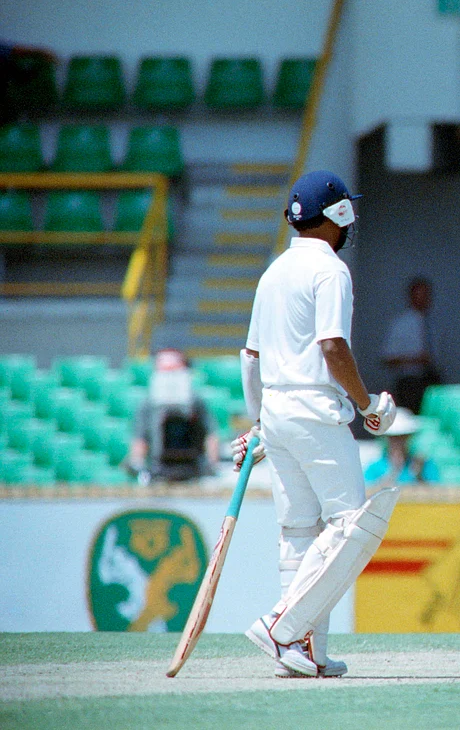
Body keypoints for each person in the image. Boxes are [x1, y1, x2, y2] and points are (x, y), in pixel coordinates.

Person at [236, 169, 399, 679]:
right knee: (352, 526)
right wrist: (367, 404)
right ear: (338, 214)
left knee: (300, 531)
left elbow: (250, 358)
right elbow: (332, 345)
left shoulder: (273, 272)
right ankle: (281, 626)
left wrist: (259, 424)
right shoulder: (330, 270)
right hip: (314, 409)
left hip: (276, 409)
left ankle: (305, 653)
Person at [123, 348, 220, 483]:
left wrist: (212, 464)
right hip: (158, 469)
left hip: (194, 470)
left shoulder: (197, 402)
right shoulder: (147, 404)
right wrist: (138, 464)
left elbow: (211, 435)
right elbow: (140, 439)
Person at [382, 276, 441, 414]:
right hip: (409, 383)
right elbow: (388, 358)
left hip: (430, 380)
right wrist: (415, 360)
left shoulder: (432, 323)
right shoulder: (401, 324)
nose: (424, 299)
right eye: (420, 295)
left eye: (427, 295)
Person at [363, 407, 439, 486]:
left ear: (409, 437)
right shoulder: (374, 468)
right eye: (393, 438)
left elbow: (437, 490)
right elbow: (370, 490)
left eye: (402, 437)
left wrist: (419, 475)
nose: (398, 442)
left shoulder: (425, 465)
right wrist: (394, 471)